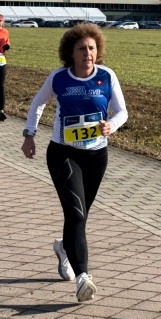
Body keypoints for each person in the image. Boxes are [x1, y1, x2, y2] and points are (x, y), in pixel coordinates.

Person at [20, 24, 127, 302]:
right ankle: (83, 278)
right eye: (82, 49)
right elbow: (37, 104)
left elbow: (122, 112)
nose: (87, 53)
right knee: (77, 214)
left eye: (92, 48)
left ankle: (64, 248)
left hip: (96, 155)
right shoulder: (59, 78)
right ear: (71, 52)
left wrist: (111, 126)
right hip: (63, 153)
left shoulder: (106, 76)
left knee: (79, 214)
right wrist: (29, 135)